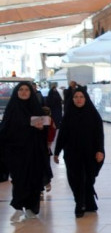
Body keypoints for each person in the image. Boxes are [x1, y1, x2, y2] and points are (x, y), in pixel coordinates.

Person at [53, 87, 105, 218]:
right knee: (76, 179)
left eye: (81, 97)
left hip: (90, 152)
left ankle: (89, 203)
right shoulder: (68, 115)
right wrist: (57, 152)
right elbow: (62, 135)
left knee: (88, 178)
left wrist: (100, 150)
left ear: (86, 98)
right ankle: (79, 204)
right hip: (72, 153)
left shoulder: (93, 114)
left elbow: (99, 134)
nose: (79, 99)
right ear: (72, 99)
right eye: (76, 97)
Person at [0, 82, 48, 221]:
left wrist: (40, 129)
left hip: (33, 152)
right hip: (16, 152)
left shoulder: (36, 108)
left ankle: (30, 208)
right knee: (20, 179)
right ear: (16, 92)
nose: (24, 92)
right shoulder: (12, 109)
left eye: (27, 89)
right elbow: (5, 129)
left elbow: (44, 130)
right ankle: (18, 206)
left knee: (33, 179)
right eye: (20, 89)